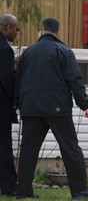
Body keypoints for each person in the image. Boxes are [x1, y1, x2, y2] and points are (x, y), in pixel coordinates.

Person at [15, 17, 88, 199]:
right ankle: (80, 190)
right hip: (57, 108)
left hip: (31, 108)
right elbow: (75, 80)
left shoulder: (28, 53)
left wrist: (20, 105)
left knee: (28, 150)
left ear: (41, 31)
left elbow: (18, 82)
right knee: (70, 148)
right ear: (57, 33)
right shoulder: (63, 51)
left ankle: (23, 191)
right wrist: (84, 105)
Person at [0, 14, 20, 196]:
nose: (17, 32)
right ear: (8, 28)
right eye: (16, 29)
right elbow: (7, 80)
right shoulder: (5, 50)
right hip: (1, 109)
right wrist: (16, 100)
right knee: (4, 148)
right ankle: (9, 187)